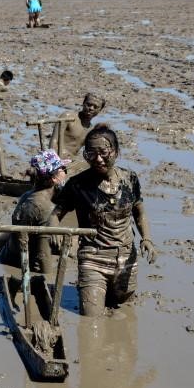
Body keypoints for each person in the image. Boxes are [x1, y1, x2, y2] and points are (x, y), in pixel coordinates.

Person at [44, 124, 157, 317]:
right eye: (91, 154)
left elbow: (140, 213)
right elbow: (55, 215)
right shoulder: (77, 184)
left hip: (125, 258)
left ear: (116, 151)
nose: (98, 159)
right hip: (93, 258)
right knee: (91, 319)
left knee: (125, 312)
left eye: (104, 152)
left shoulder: (129, 179)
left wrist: (146, 239)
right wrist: (54, 231)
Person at [0, 149, 70, 273]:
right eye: (63, 169)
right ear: (54, 179)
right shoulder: (46, 208)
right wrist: (48, 276)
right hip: (24, 264)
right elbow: (43, 255)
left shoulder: (28, 195)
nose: (65, 172)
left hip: (7, 254)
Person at [49, 92, 105, 160]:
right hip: (57, 156)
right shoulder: (68, 117)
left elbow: (90, 151)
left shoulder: (91, 130)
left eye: (95, 107)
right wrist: (56, 159)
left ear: (100, 110)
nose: (91, 108)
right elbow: (53, 142)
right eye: (89, 104)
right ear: (83, 103)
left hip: (72, 160)